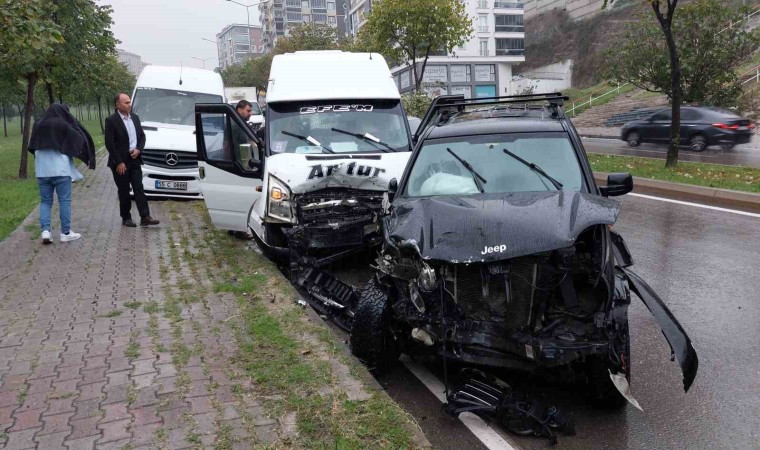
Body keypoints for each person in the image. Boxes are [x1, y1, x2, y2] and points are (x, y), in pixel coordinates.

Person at [28, 104, 96, 244]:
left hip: (42, 171)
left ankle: (45, 231)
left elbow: (32, 146)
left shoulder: (38, 125)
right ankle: (65, 233)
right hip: (61, 170)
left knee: (45, 201)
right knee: (64, 201)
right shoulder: (64, 125)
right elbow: (79, 139)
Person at [104, 93, 159, 227]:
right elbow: (109, 143)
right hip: (120, 161)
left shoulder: (135, 118)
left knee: (138, 187)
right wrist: (119, 162)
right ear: (118, 105)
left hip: (134, 158)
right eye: (126, 103)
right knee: (124, 190)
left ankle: (145, 216)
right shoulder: (111, 120)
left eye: (129, 102)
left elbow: (142, 136)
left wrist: (139, 149)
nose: (129, 105)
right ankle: (126, 217)